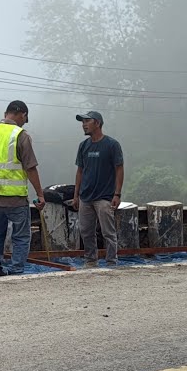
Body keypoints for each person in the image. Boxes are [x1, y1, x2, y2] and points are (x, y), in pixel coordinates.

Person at [0, 100, 46, 277]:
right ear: (21, 114)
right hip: (15, 198)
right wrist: (40, 194)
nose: (24, 122)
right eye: (25, 118)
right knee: (21, 236)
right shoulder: (20, 135)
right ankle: (16, 271)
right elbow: (30, 167)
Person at [71, 111, 124, 268]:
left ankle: (111, 262)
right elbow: (80, 171)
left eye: (87, 121)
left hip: (104, 197)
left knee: (108, 232)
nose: (84, 124)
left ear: (98, 123)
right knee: (86, 231)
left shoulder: (112, 145)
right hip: (85, 197)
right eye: (82, 122)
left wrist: (117, 193)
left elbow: (119, 169)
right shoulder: (84, 146)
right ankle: (91, 261)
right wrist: (76, 195)